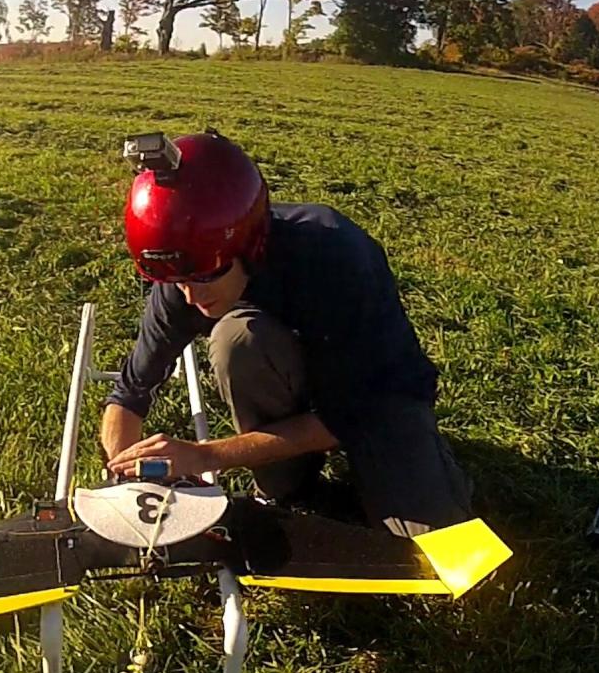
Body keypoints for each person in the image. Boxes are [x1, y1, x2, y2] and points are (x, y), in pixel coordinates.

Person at [100, 130, 472, 537]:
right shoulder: (184, 271)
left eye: (206, 275)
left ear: (250, 246)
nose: (190, 295)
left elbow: (352, 413)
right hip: (303, 390)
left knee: (434, 543)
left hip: (376, 397)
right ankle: (291, 482)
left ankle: (427, 464)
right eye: (176, 280)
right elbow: (130, 393)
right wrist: (124, 471)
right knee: (238, 341)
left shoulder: (337, 255)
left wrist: (205, 455)